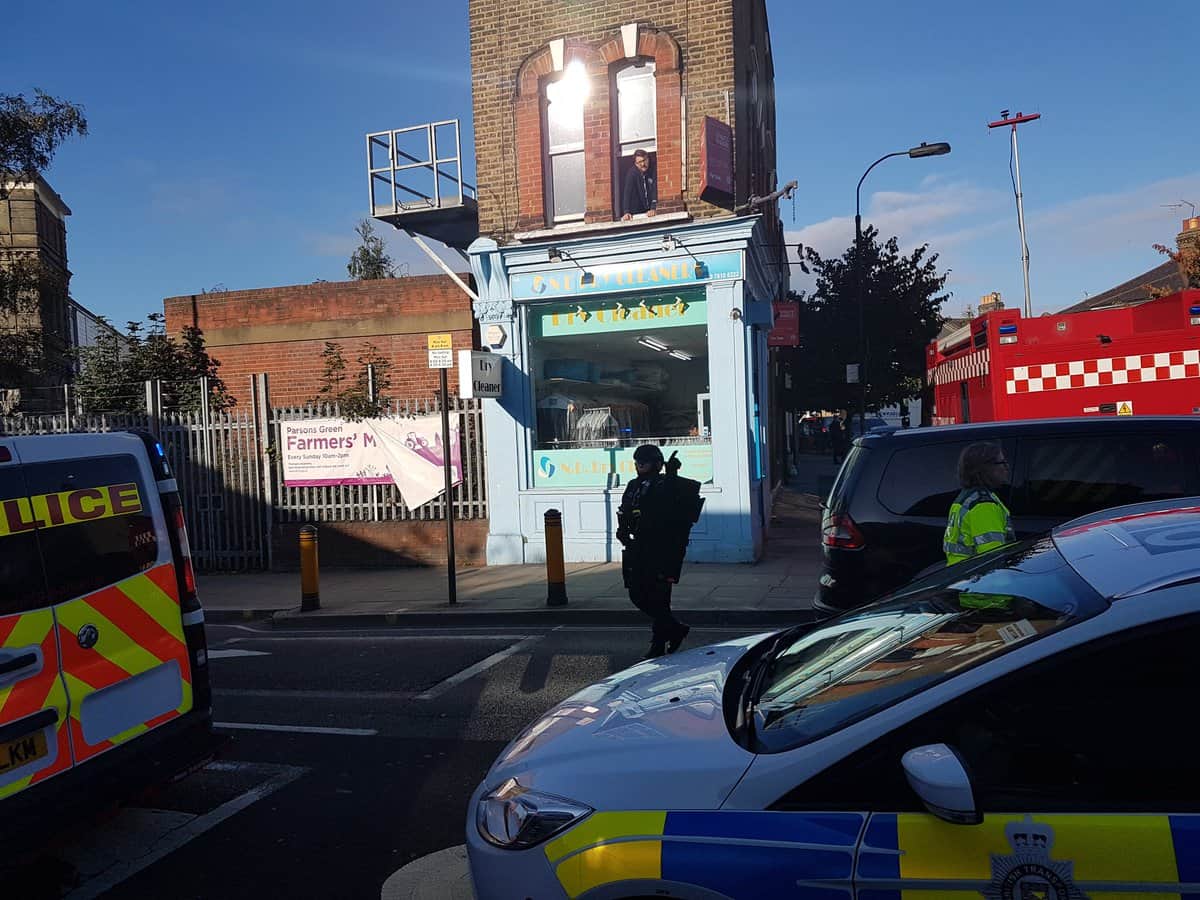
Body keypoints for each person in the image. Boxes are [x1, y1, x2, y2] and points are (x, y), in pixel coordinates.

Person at [616, 444, 702, 658]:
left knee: (660, 597)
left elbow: (667, 506)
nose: (639, 466)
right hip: (638, 545)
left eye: (643, 462)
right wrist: (622, 529)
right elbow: (626, 509)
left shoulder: (666, 483)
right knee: (637, 593)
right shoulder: (633, 485)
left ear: (656, 463)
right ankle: (676, 629)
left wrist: (672, 473)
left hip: (663, 548)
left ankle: (658, 644)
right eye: (637, 462)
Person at [944, 442, 1015, 566]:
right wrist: (1004, 583)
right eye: (1001, 462)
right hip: (977, 580)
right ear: (986, 468)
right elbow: (993, 558)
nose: (1007, 467)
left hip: (961, 575)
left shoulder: (968, 498)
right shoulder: (984, 505)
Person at [621, 149, 657, 221]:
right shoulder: (631, 174)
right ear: (635, 164)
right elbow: (627, 193)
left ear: (648, 159)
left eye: (645, 160)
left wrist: (653, 207)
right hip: (638, 211)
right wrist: (626, 211)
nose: (643, 164)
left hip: (653, 210)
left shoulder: (654, 170)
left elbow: (655, 189)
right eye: (640, 162)